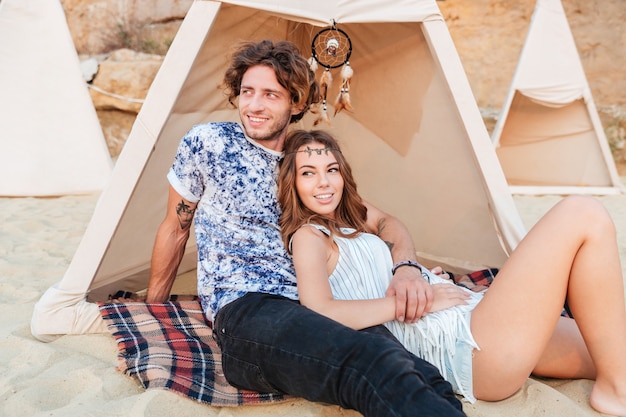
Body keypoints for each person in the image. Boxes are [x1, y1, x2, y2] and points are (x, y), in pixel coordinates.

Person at [146, 39, 466, 417]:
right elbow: (175, 227)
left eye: (270, 95)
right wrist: (155, 309)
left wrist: (407, 267)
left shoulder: (305, 165)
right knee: (373, 362)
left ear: (296, 103)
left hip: (318, 305)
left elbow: (383, 222)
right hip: (247, 311)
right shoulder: (208, 143)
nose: (254, 105)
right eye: (247, 92)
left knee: (423, 375)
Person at [278, 129, 626, 416]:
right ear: (292, 181)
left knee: (614, 348)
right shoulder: (309, 237)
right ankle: (615, 394)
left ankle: (616, 382)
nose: (324, 183)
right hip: (466, 349)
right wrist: (414, 303)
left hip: (473, 313)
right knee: (583, 213)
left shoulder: (346, 213)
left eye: (332, 169)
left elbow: (389, 223)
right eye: (308, 173)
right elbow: (319, 312)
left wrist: (407, 268)